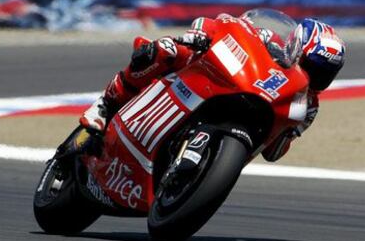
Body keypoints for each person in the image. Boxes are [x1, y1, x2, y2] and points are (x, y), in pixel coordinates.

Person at [55, 13, 345, 163]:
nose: (316, 76)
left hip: (245, 119)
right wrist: (197, 37)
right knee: (166, 51)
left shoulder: (306, 105)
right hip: (214, 76)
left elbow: (272, 154)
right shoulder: (270, 39)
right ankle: (106, 105)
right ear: (297, 48)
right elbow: (224, 25)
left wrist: (289, 131)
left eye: (325, 73)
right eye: (313, 65)